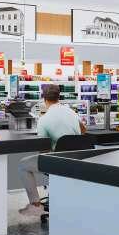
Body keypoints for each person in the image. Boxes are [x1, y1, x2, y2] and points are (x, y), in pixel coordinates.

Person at [18, 84, 86, 217]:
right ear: (59, 97)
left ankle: (35, 205)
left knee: (22, 165)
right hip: (78, 159)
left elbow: (42, 149)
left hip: (58, 163)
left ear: (44, 99)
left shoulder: (44, 120)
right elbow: (83, 130)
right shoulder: (71, 112)